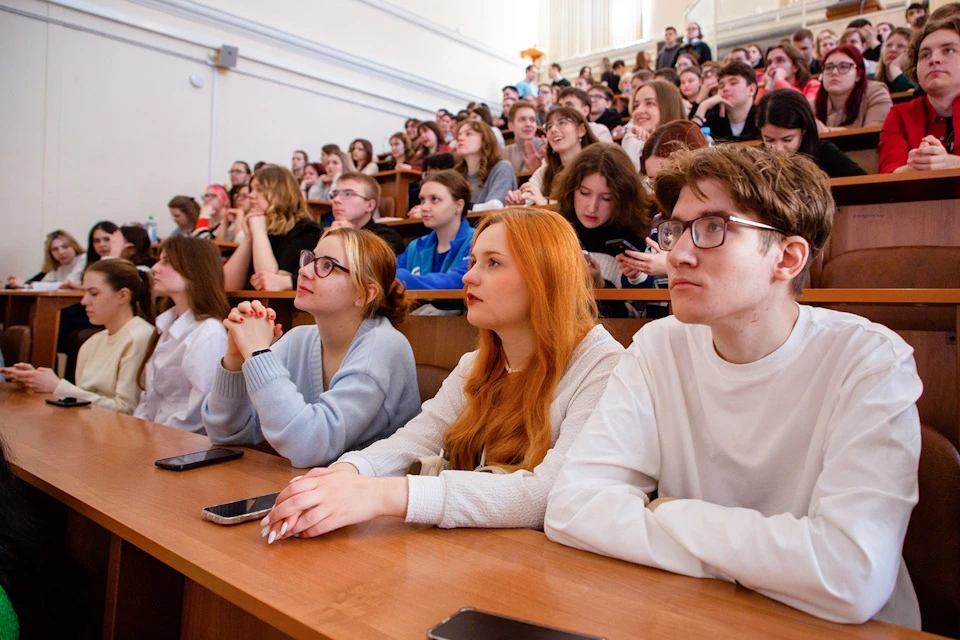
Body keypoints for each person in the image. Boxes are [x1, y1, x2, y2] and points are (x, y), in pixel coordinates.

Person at [545, 143, 923, 630]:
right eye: (677, 229)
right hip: (699, 617)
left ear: (786, 258)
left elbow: (850, 574)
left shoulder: (870, 361)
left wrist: (672, 512)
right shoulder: (658, 346)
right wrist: (769, 563)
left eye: (712, 229)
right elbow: (572, 506)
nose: (677, 254)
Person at [260, 207, 624, 543]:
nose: (469, 276)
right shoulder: (476, 364)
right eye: (472, 260)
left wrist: (385, 495)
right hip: (481, 558)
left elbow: (546, 495)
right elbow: (415, 440)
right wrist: (344, 473)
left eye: (493, 263)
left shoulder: (601, 364)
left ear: (544, 278)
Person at [204, 227, 419, 467]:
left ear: (364, 293)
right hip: (312, 489)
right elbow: (227, 434)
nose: (304, 271)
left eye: (327, 265)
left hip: (372, 498)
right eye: (311, 259)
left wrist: (258, 354)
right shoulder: (299, 339)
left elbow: (309, 446)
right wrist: (235, 359)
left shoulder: (384, 346)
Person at [3, 260, 155, 414]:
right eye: (85, 292)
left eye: (94, 293)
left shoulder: (139, 337)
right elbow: (82, 399)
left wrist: (58, 386)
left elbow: (127, 410)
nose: (84, 301)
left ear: (123, 296)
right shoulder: (93, 341)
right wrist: (37, 380)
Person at [135, 236, 229, 433]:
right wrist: (138, 429)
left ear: (194, 270)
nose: (155, 268)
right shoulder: (166, 324)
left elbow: (198, 412)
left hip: (181, 444)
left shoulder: (209, 332)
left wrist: (151, 438)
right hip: (155, 436)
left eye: (167, 261)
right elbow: (151, 396)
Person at [555, 144, 651, 317]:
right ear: (571, 191)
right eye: (584, 193)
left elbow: (633, 321)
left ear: (622, 199)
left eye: (606, 198)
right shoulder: (556, 232)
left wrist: (600, 286)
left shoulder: (631, 246)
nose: (592, 207)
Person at [879, 16, 960, 173]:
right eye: (925, 55)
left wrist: (951, 164)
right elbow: (889, 175)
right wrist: (920, 164)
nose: (934, 59)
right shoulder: (900, 114)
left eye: (948, 50)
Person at [223, 165, 323, 291]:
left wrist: (259, 231)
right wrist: (249, 238)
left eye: (259, 190)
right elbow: (227, 285)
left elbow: (270, 287)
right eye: (252, 189)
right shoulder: (263, 228)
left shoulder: (306, 230)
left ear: (280, 193)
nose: (251, 195)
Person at [394, 170, 474, 292]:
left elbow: (461, 280)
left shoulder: (477, 240)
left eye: (435, 199)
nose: (424, 207)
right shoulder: (415, 247)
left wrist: (405, 278)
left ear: (458, 205)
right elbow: (388, 274)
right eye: (422, 200)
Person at [757, 89, 866, 177]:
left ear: (804, 130)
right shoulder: (756, 160)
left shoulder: (825, 153)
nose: (778, 149)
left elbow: (864, 184)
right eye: (769, 140)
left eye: (787, 139)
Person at [506, 107, 600, 205]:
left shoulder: (596, 165)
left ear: (581, 130)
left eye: (562, 123)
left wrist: (546, 202)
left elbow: (588, 206)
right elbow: (530, 193)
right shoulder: (546, 170)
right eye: (549, 126)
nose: (553, 129)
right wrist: (519, 200)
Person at [815, 46, 892, 131]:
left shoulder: (876, 92)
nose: (834, 72)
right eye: (829, 67)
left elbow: (874, 135)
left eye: (843, 67)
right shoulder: (811, 106)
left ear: (858, 74)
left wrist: (826, 131)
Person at [329, 172, 405, 255]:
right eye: (335, 194)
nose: (336, 200)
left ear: (369, 205)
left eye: (348, 194)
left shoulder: (387, 239)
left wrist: (346, 237)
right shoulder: (326, 233)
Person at [621, 80, 686, 171]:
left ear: (669, 107)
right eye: (636, 105)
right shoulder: (633, 141)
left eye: (649, 103)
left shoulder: (688, 149)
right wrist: (631, 141)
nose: (639, 111)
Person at [691, 61, 760, 142]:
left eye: (733, 83)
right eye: (721, 85)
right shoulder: (713, 120)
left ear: (752, 89)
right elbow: (689, 143)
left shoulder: (763, 118)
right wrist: (703, 106)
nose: (725, 88)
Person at [453, 120, 516, 209]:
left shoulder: (502, 168)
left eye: (468, 134)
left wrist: (463, 209)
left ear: (485, 139)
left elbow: (495, 207)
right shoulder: (455, 175)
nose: (460, 138)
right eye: (459, 135)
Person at [5, 230, 86, 290]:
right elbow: (43, 283)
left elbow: (69, 284)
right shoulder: (59, 267)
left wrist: (26, 285)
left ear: (74, 246)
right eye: (55, 249)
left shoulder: (84, 258)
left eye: (65, 247)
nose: (61, 252)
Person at [756, 42, 821, 103]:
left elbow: (803, 106)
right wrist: (767, 88)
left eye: (780, 60)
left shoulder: (813, 85)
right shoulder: (768, 89)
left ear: (795, 67)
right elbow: (756, 112)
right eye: (769, 63)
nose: (772, 66)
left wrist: (780, 80)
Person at [504, 100, 546, 173]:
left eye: (532, 120)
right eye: (522, 119)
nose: (528, 124)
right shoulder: (505, 152)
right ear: (510, 126)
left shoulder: (545, 147)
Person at [875, 27, 918, 93]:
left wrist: (894, 68)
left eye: (900, 46)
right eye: (889, 45)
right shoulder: (871, 80)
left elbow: (910, 94)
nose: (893, 49)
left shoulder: (919, 79)